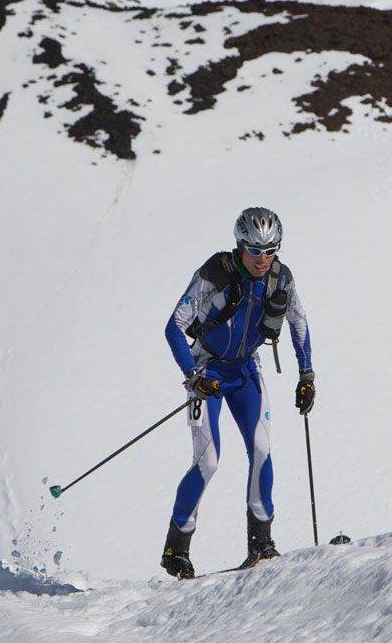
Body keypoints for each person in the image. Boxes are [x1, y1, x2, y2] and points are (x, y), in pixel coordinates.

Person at [159, 207, 315, 578]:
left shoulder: (281, 277)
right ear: (240, 245)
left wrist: (306, 374)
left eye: (271, 250)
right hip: (207, 370)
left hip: (246, 370)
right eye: (255, 250)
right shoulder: (214, 274)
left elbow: (298, 321)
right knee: (208, 460)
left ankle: (261, 543)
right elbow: (174, 326)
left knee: (261, 449)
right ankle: (175, 549)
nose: (263, 259)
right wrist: (192, 375)